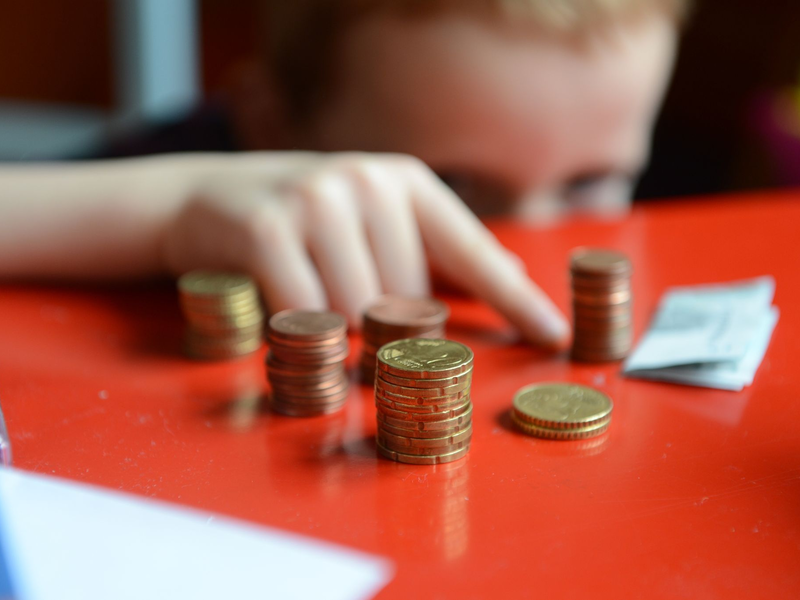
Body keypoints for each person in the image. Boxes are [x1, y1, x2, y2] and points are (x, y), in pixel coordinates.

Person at [0, 0, 686, 349]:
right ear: (272, 128)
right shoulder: (175, 166)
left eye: (590, 181)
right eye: (457, 187)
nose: (522, 247)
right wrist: (170, 207)